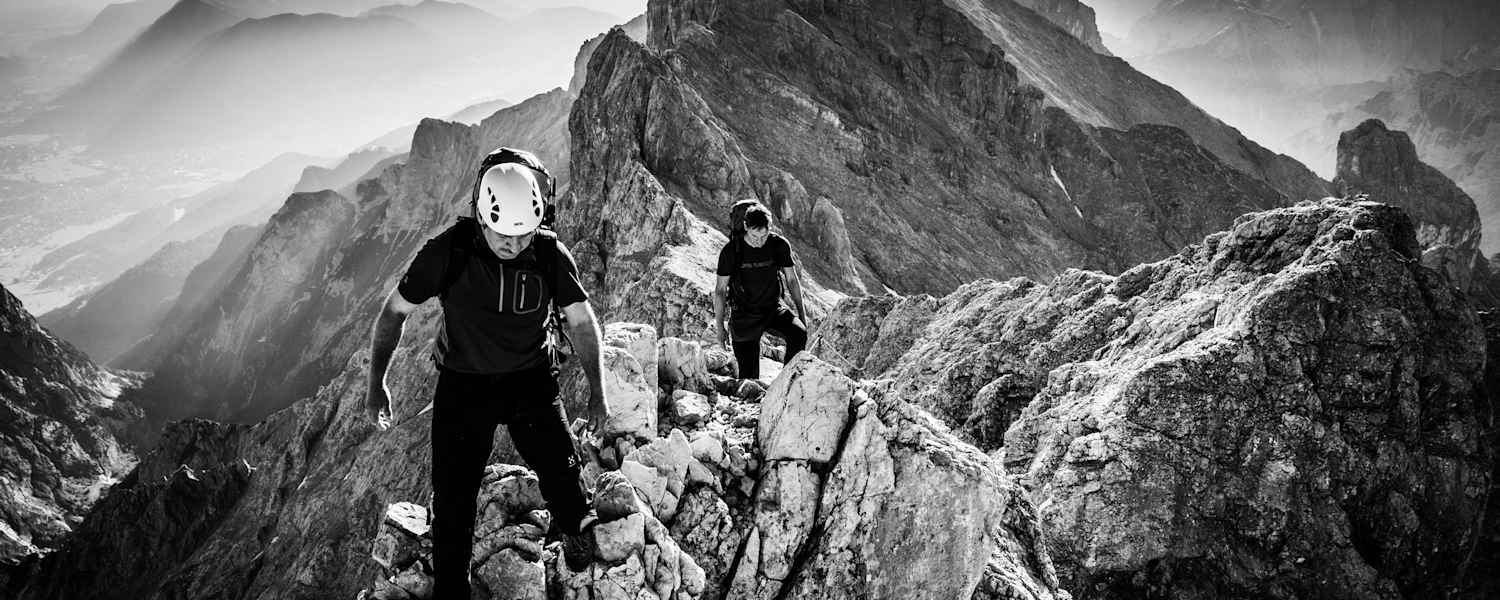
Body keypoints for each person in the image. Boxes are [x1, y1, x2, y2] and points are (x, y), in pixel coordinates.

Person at [364, 153, 609, 596]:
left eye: (524, 234)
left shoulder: (549, 254)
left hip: (529, 379)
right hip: (464, 386)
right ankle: (452, 590)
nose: (515, 245)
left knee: (562, 472)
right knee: (454, 503)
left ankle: (574, 527)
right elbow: (392, 313)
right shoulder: (448, 252)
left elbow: (581, 320)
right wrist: (375, 383)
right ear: (482, 217)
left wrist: (598, 393)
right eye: (504, 235)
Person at [713, 204, 809, 379]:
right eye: (754, 236)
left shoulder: (778, 245)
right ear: (745, 228)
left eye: (763, 236)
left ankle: (786, 384)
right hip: (744, 316)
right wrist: (720, 327)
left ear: (769, 229)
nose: (758, 242)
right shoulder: (731, 252)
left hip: (772, 308)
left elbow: (792, 280)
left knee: (799, 334)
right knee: (749, 380)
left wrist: (802, 316)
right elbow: (720, 291)